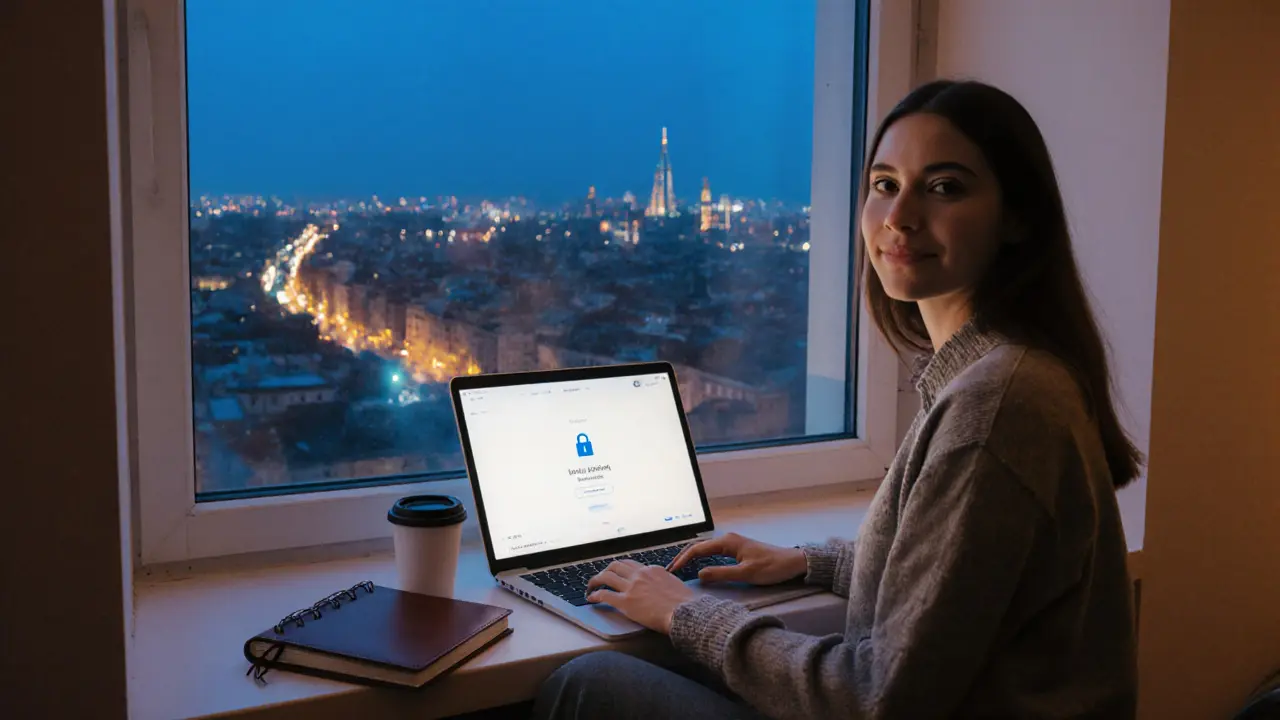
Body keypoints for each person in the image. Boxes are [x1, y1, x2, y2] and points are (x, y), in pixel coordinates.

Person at [531, 79, 1141, 720]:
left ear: (1018, 217)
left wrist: (688, 613)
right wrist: (807, 562)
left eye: (944, 187)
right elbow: (956, 585)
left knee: (588, 685)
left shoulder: (995, 409)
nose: (900, 216)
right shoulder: (1010, 375)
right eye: (884, 184)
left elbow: (877, 696)